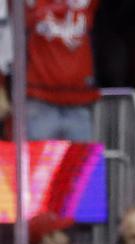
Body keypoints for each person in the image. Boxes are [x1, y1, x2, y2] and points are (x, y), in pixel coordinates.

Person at [17, 0, 100, 141]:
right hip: (40, 102)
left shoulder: (85, 4)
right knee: (41, 163)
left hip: (79, 104)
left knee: (84, 162)